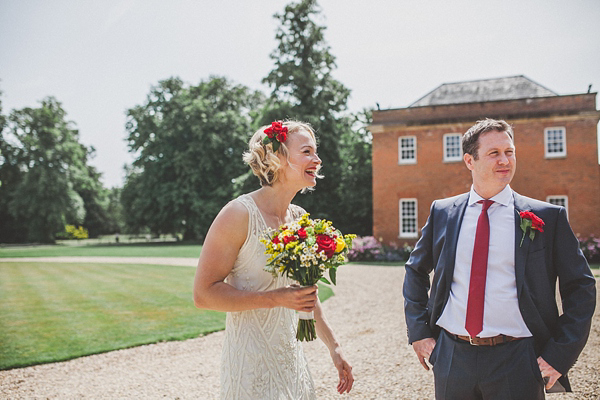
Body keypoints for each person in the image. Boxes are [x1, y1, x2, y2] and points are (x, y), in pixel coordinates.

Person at [403, 118, 596, 399]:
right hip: (452, 358)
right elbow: (415, 271)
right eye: (494, 153)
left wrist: (559, 354)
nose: (505, 160)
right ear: (470, 161)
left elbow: (581, 287)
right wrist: (420, 332)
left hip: (518, 359)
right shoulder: (444, 213)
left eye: (510, 151)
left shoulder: (548, 218)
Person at [194, 120, 354, 399]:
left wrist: (335, 347)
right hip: (250, 365)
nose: (317, 159)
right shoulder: (238, 215)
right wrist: (277, 298)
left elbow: (307, 296)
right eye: (307, 151)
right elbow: (203, 295)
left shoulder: (299, 218)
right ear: (277, 157)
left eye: (315, 152)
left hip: (291, 361)